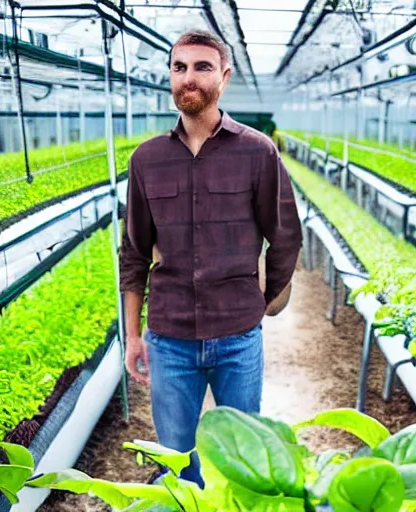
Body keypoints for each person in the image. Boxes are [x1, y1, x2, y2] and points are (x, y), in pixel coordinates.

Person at [119, 30, 302, 487]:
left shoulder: (257, 151)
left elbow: (285, 237)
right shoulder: (147, 159)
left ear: (224, 77)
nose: (189, 78)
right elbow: (134, 253)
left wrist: (257, 303)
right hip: (169, 338)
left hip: (237, 338)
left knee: (244, 461)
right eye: (179, 68)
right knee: (176, 461)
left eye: (202, 67)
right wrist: (133, 335)